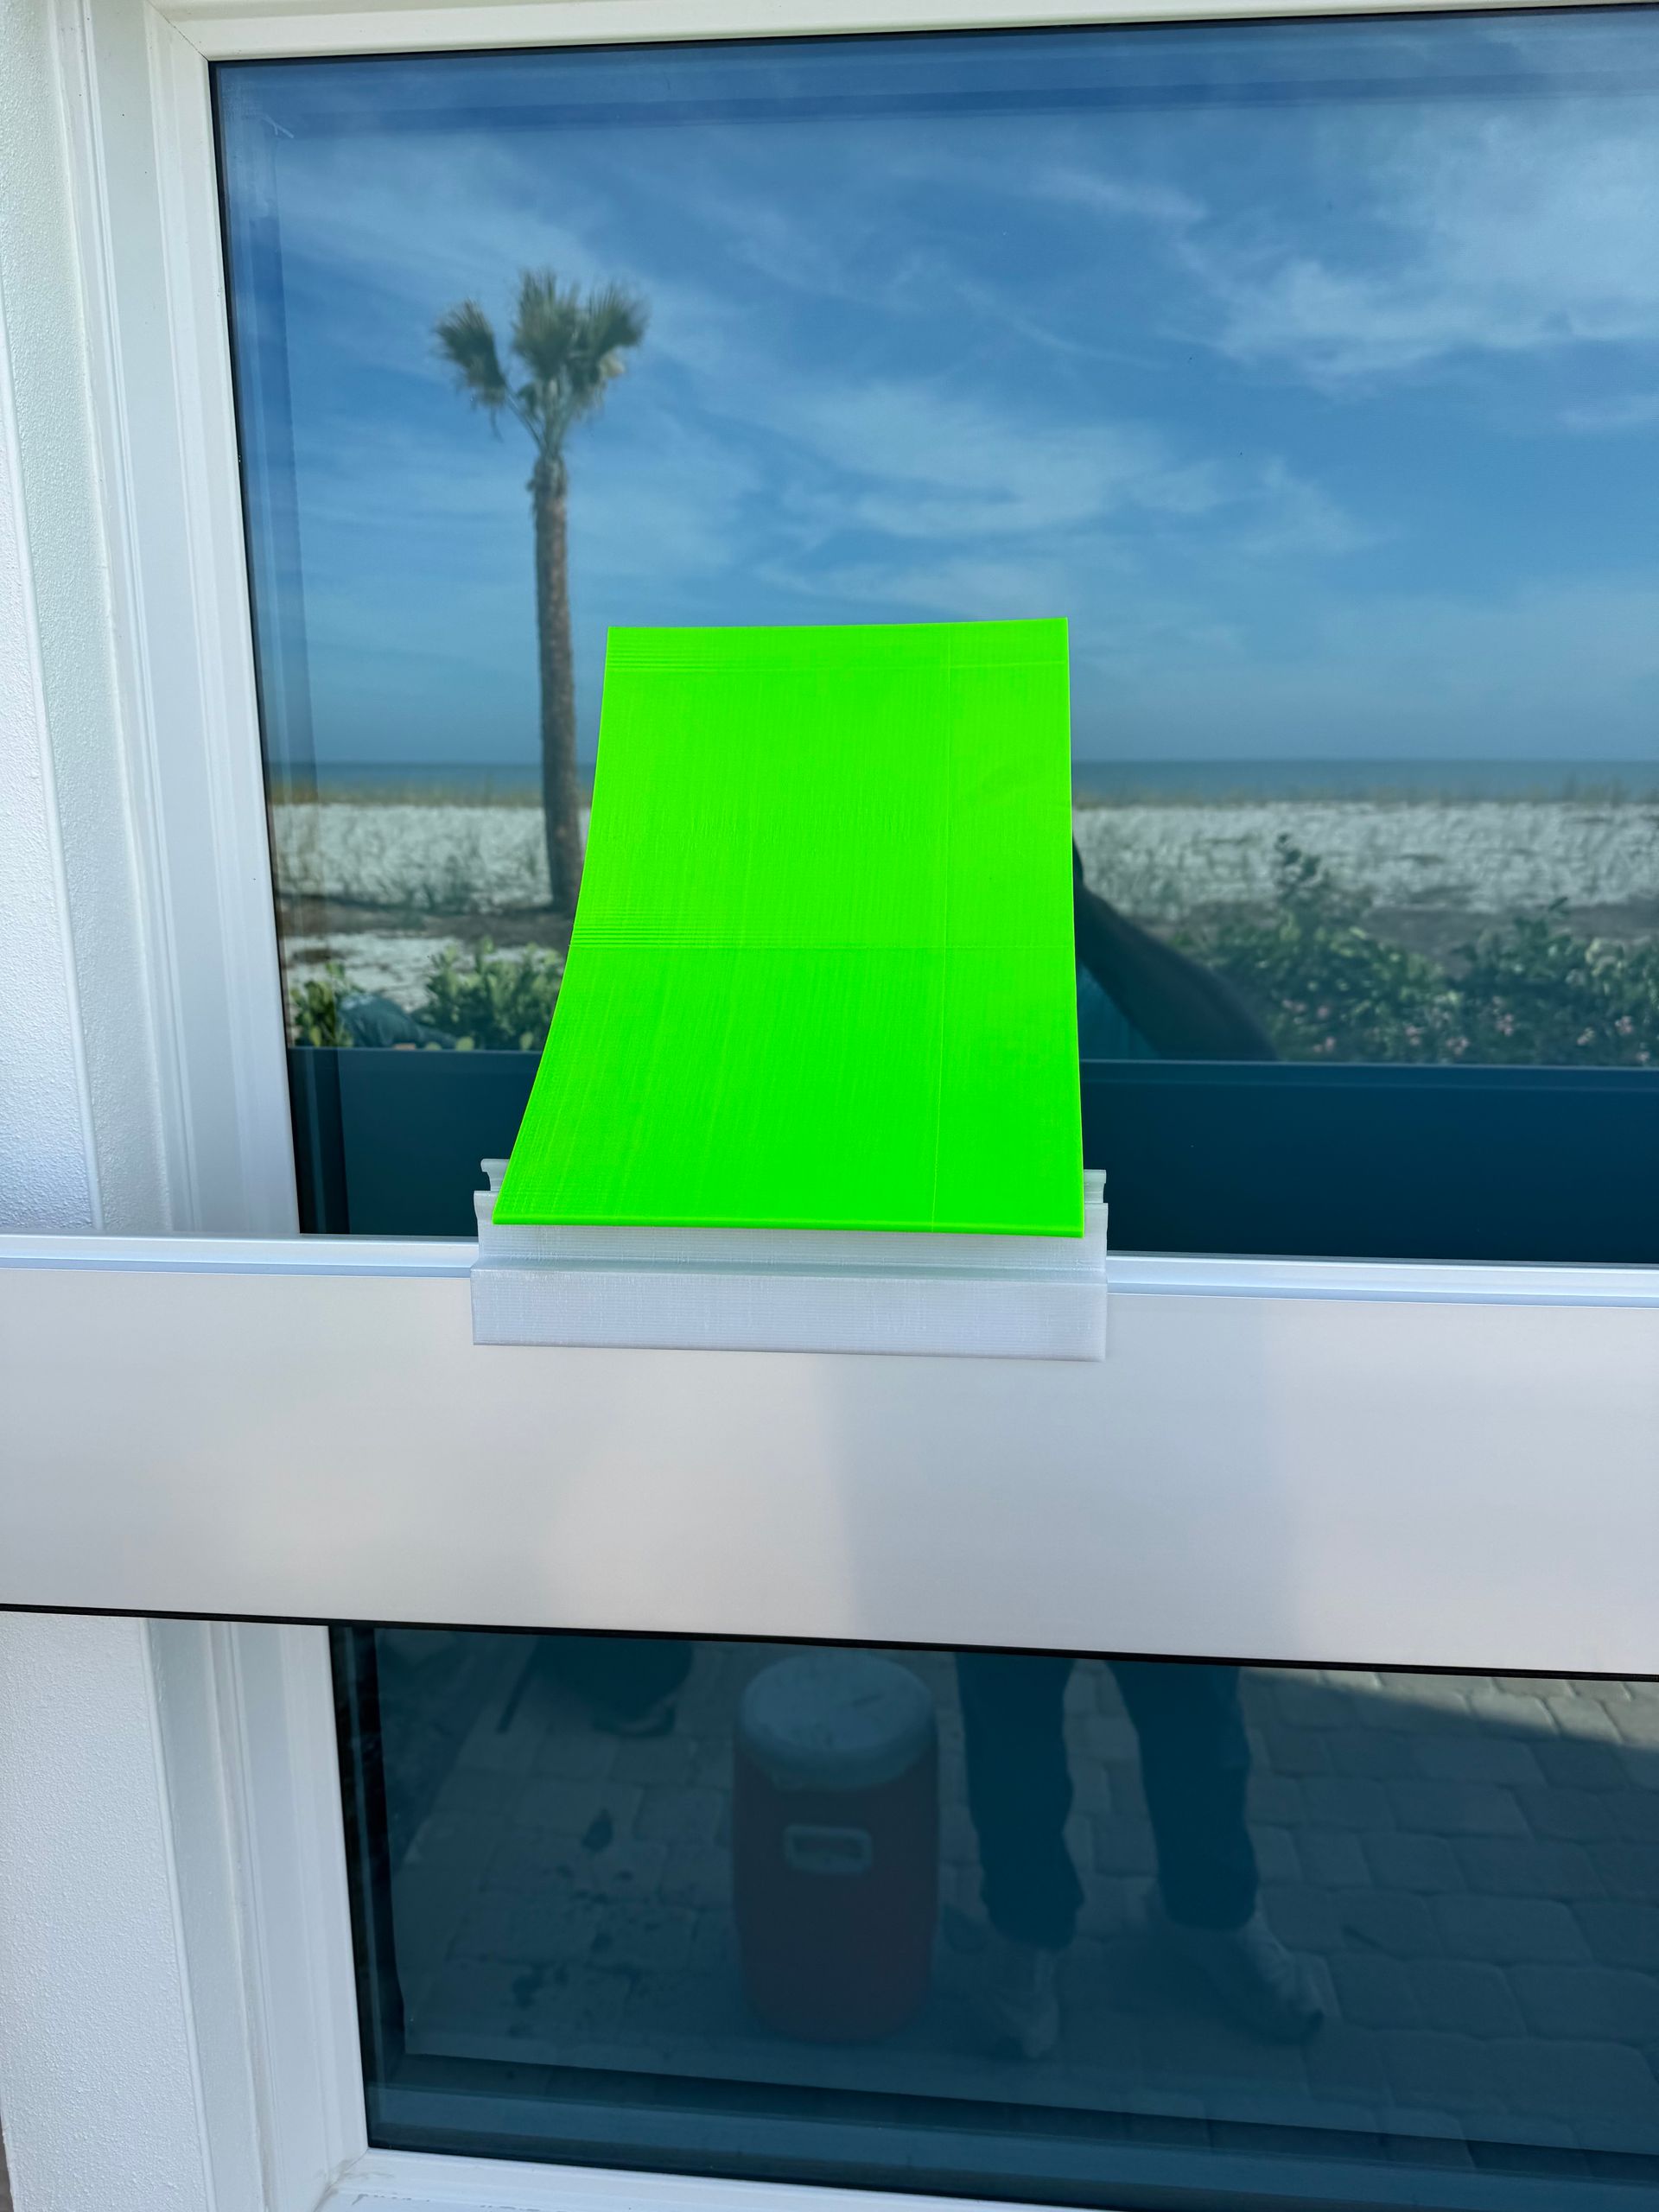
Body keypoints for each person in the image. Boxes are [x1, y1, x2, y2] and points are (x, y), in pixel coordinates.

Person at [952, 854, 1319, 2058]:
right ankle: (1030, 1932)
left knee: (1193, 1708)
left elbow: (1248, 1068)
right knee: (1010, 1715)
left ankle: (1210, 1917)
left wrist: (1082, 916)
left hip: (1162, 1413)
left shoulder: (1106, 984)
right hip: (998, 1418)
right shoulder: (927, 1000)